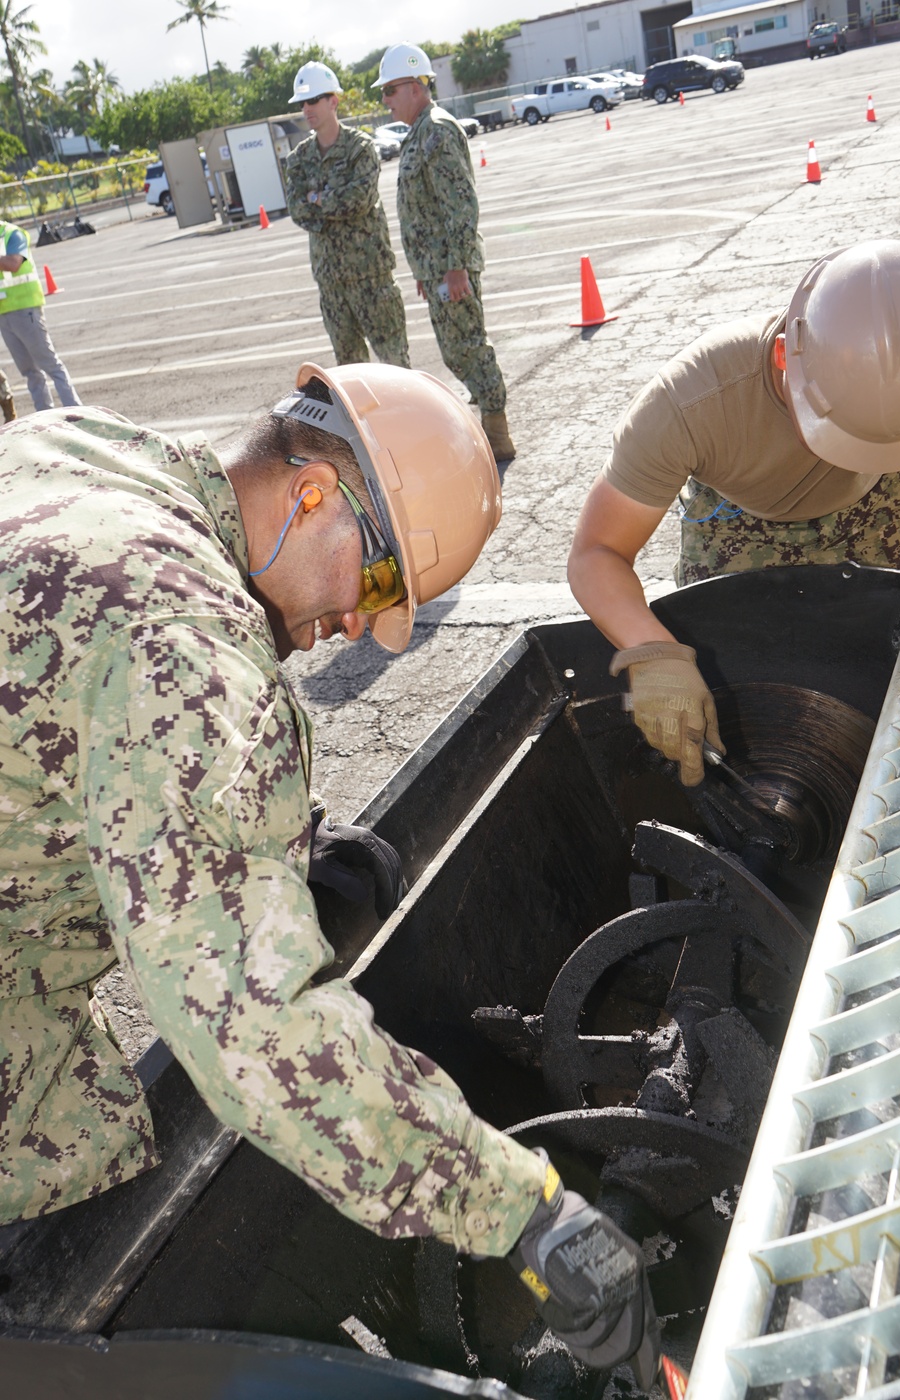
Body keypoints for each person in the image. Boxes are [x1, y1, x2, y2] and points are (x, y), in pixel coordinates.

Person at [0, 363, 660, 1387]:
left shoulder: (84, 450)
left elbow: (70, 721)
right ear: (312, 492)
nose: (361, 622)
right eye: (380, 581)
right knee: (55, 1161)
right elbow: (257, 1036)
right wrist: (525, 1209)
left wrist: (270, 846)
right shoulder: (183, 648)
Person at [567, 239, 900, 787]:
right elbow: (596, 551)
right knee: (751, 706)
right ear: (782, 359)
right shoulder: (692, 404)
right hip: (742, 517)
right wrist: (649, 651)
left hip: (881, 502)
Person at [373, 43, 516, 463]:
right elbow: (426, 210)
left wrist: (455, 267)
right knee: (457, 351)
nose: (385, 99)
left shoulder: (436, 129)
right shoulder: (420, 132)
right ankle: (490, 421)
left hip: (452, 269)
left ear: (416, 86)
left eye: (391, 89)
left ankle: (497, 430)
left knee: (469, 346)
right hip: (437, 269)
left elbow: (460, 204)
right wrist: (425, 268)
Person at [285, 60, 409, 369]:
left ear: (333, 101)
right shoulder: (299, 159)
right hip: (331, 283)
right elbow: (298, 212)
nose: (307, 108)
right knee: (350, 371)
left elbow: (360, 200)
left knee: (395, 365)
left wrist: (316, 198)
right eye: (303, 102)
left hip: (371, 276)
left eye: (314, 100)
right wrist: (329, 202)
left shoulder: (360, 148)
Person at [0, 216, 80, 413]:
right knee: (30, 372)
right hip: (4, 314)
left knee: (51, 366)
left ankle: (77, 413)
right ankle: (45, 416)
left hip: (25, 310)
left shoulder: (12, 233)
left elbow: (14, 263)